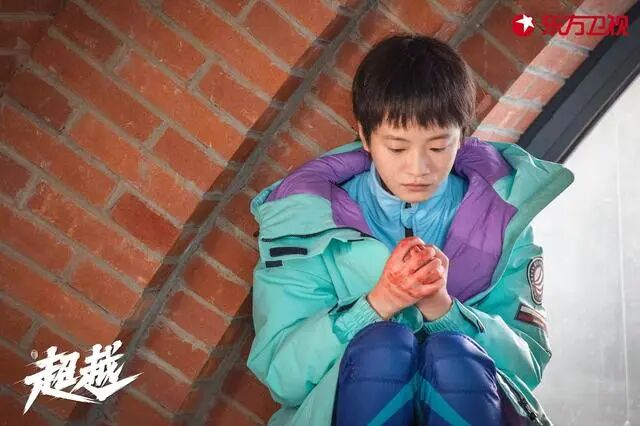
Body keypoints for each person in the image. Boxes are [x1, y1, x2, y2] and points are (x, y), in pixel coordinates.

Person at [247, 34, 574, 425]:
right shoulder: (306, 220)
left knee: (456, 357)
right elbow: (284, 379)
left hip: (474, 401)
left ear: (462, 137)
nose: (418, 168)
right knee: (382, 349)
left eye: (437, 147)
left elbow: (527, 367)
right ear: (364, 136)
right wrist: (377, 304)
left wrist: (444, 309)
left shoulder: (504, 215)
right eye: (397, 148)